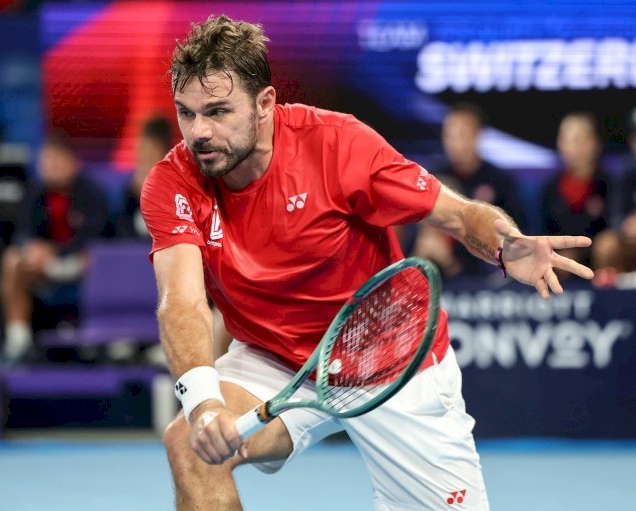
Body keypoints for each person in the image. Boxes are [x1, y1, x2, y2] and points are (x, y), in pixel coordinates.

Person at [140, 15, 594, 511]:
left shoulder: (337, 144)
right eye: (186, 113)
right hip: (276, 359)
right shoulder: (172, 181)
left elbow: (459, 215)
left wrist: (505, 245)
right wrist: (204, 403)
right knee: (190, 444)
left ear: (265, 103)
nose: (199, 133)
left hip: (389, 360)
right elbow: (181, 300)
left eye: (217, 112)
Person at [0, 131, 110, 364]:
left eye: (57, 161)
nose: (51, 167)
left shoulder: (91, 193)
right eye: (46, 162)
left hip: (81, 263)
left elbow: (96, 235)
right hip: (45, 266)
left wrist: (56, 252)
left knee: (95, 257)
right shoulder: (34, 193)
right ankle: (18, 339)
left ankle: (102, 342)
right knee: (12, 259)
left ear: (72, 163)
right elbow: (22, 232)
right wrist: (31, 248)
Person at [412, 104, 527, 278]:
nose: (455, 143)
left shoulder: (500, 181)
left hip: (486, 276)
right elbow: (415, 231)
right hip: (436, 274)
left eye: (462, 135)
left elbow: (517, 235)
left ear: (477, 135)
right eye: (449, 135)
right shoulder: (431, 178)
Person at [540, 112, 611, 273]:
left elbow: (613, 229)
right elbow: (543, 231)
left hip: (595, 256)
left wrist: (579, 254)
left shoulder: (609, 184)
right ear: (560, 145)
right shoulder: (550, 189)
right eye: (568, 140)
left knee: (608, 246)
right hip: (560, 258)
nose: (575, 148)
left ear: (595, 143)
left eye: (580, 140)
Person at [592, 104, 636, 276]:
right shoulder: (626, 173)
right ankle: (615, 291)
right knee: (606, 245)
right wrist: (626, 226)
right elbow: (614, 214)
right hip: (632, 239)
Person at [116, 115, 174, 239]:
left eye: (151, 152)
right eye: (141, 150)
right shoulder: (130, 188)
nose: (144, 157)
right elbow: (123, 228)